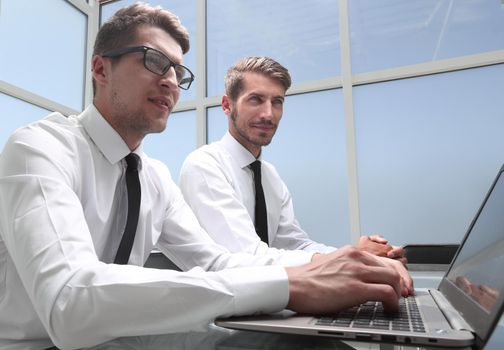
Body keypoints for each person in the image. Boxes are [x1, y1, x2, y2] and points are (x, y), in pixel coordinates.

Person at [0, 4, 413, 350]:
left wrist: (340, 265)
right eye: (153, 61)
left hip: (118, 335)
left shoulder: (154, 177)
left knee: (306, 343)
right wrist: (290, 283)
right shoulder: (39, 148)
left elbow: (215, 260)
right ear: (100, 69)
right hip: (40, 342)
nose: (169, 81)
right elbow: (68, 300)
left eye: (178, 73)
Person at [180, 56, 405, 262]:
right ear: (227, 105)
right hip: (229, 303)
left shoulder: (270, 176)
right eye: (256, 100)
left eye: (277, 102)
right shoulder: (204, 165)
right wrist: (353, 258)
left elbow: (296, 245)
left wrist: (364, 257)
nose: (268, 114)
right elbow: (246, 257)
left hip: (271, 300)